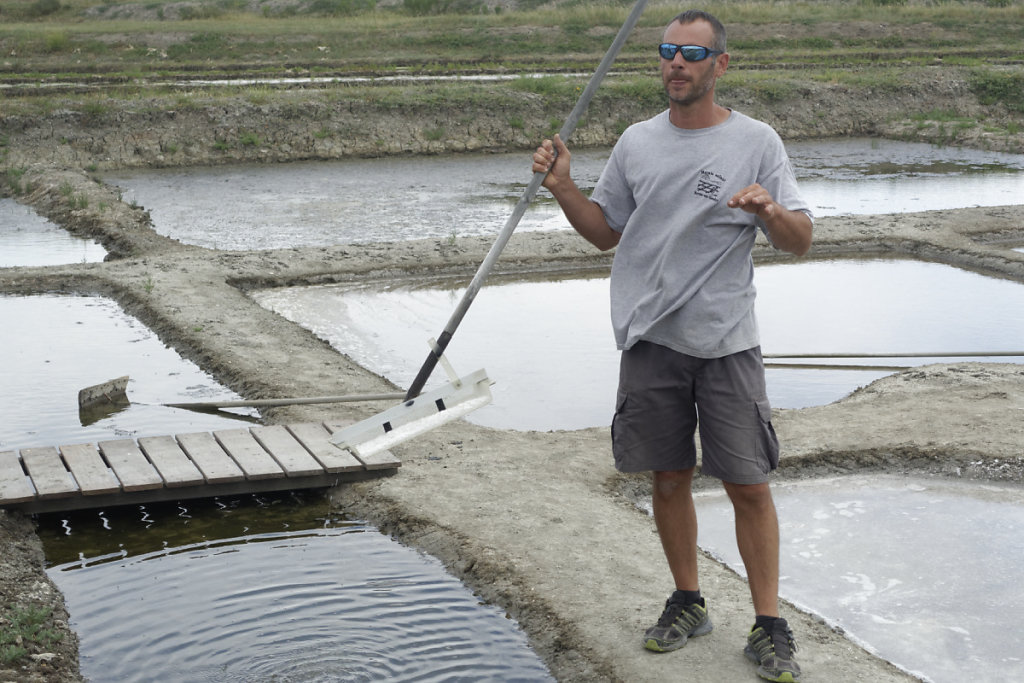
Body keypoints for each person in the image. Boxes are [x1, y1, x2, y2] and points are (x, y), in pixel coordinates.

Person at [532, 9, 812, 683]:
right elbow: (606, 233)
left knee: (748, 483)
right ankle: (688, 601)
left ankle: (769, 623)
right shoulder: (636, 142)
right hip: (650, 337)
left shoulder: (757, 141)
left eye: (692, 53)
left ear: (721, 65)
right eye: (667, 51)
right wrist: (563, 185)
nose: (676, 63)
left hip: (726, 340)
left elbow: (800, 239)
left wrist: (770, 211)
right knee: (667, 476)